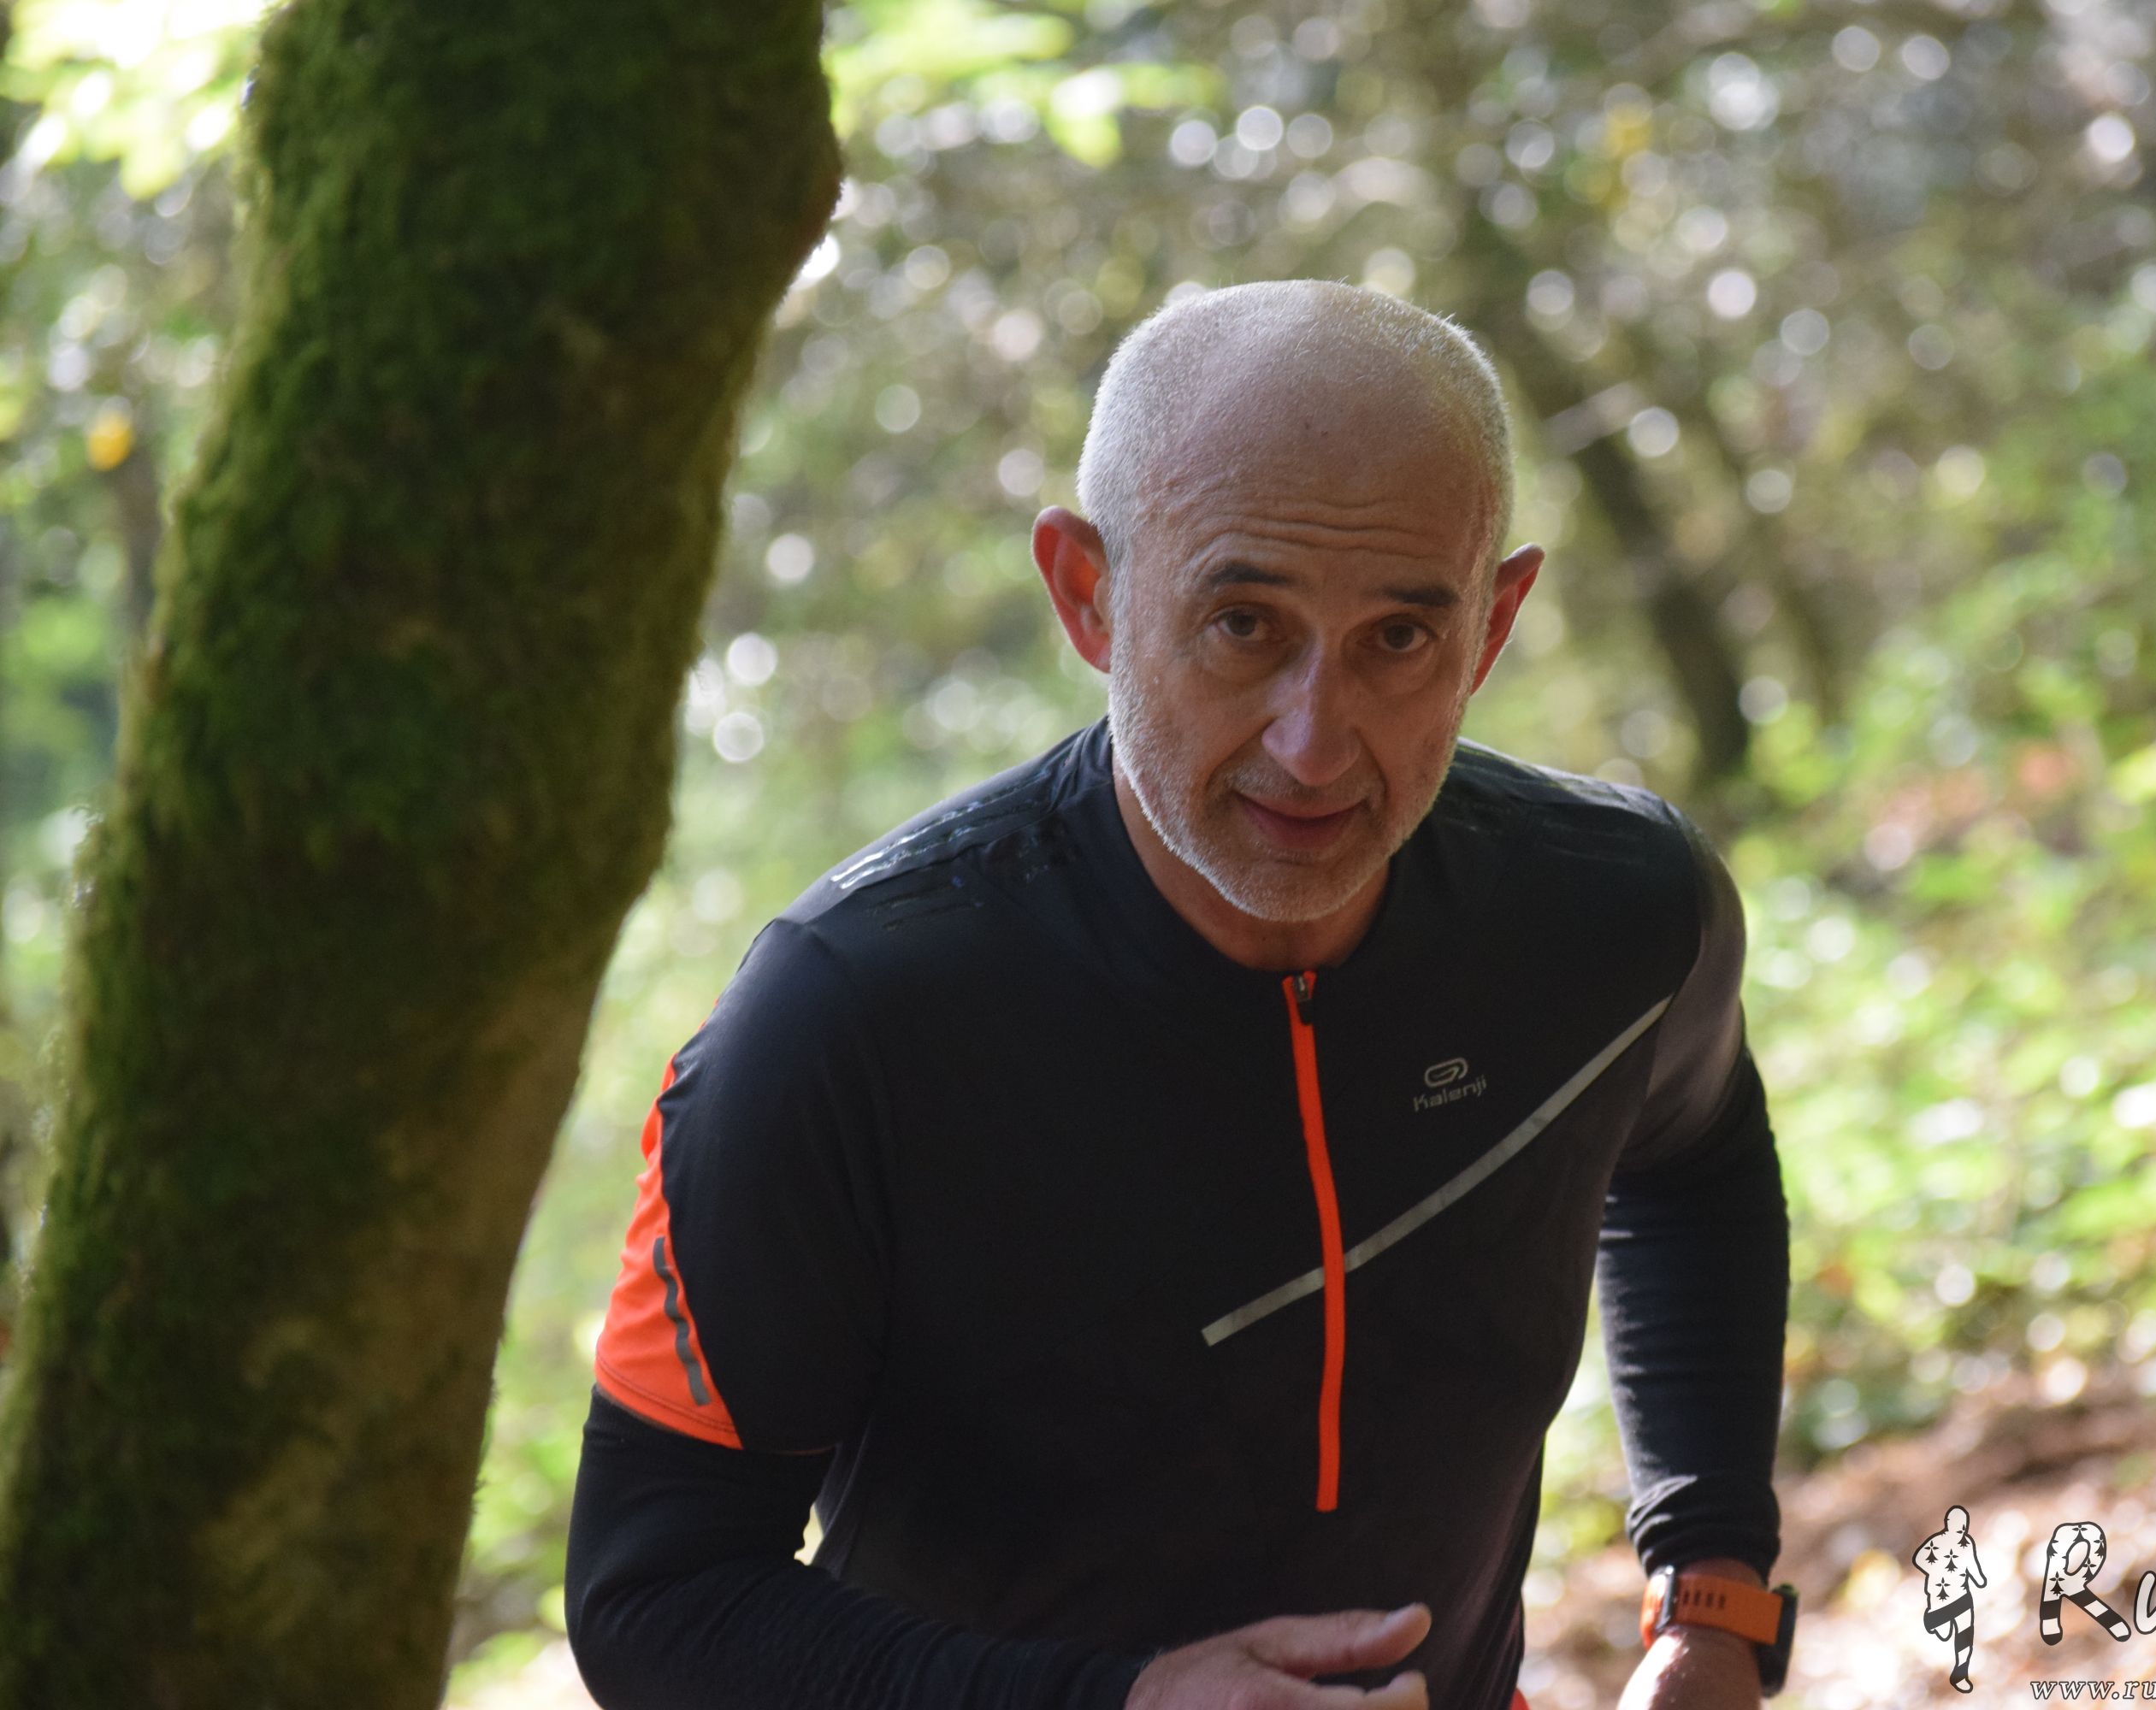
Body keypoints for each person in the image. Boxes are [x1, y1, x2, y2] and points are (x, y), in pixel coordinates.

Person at [564, 280, 1793, 1710]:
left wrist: (1712, 1600)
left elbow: (1697, 1162)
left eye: (1400, 639)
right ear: (1088, 594)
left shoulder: (1614, 916)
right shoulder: (847, 1018)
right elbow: (654, 1596)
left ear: (1495, 622)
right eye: (1243, 623)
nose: (1315, 743)